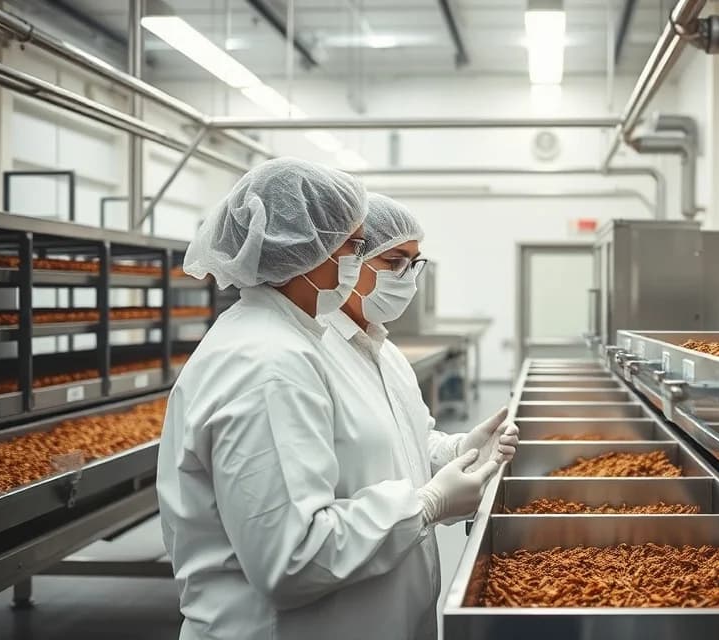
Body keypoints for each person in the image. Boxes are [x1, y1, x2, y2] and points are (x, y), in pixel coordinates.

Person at [156, 159, 501, 640]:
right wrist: (423, 506)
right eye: (355, 246)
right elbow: (293, 557)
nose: (356, 260)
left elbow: (387, 447)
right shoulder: (267, 364)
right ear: (305, 248)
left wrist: (458, 454)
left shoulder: (301, 340)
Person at [314, 193, 519, 639]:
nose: (406, 278)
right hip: (337, 618)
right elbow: (298, 549)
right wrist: (426, 506)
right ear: (347, 260)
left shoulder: (385, 352)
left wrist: (462, 450)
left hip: (403, 606)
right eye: (394, 262)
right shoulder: (309, 356)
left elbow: (412, 442)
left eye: (413, 263)